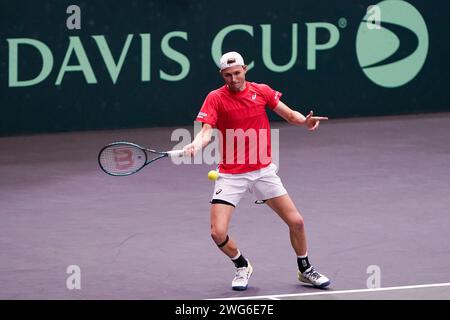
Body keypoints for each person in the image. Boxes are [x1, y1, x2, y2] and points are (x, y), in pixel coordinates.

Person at [183, 51, 330, 290]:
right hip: (231, 175)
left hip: (263, 172)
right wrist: (195, 144)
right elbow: (205, 131)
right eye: (228, 75)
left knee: (297, 222)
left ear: (245, 70)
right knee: (217, 233)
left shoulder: (260, 91)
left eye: (237, 73)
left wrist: (304, 122)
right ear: (222, 75)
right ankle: (242, 265)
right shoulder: (215, 98)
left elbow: (290, 114)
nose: (233, 79)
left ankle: (305, 269)